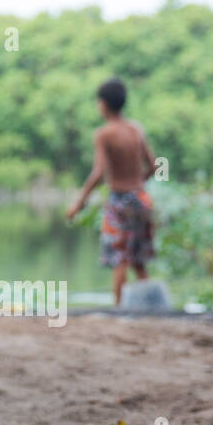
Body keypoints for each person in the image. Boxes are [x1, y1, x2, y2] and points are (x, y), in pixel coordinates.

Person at [66, 78, 157, 306]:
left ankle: (119, 310)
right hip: (141, 199)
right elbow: (154, 166)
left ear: (104, 104)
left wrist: (79, 203)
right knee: (139, 262)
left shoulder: (104, 134)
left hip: (119, 201)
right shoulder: (135, 130)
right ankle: (152, 310)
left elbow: (98, 173)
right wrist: (138, 183)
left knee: (120, 261)